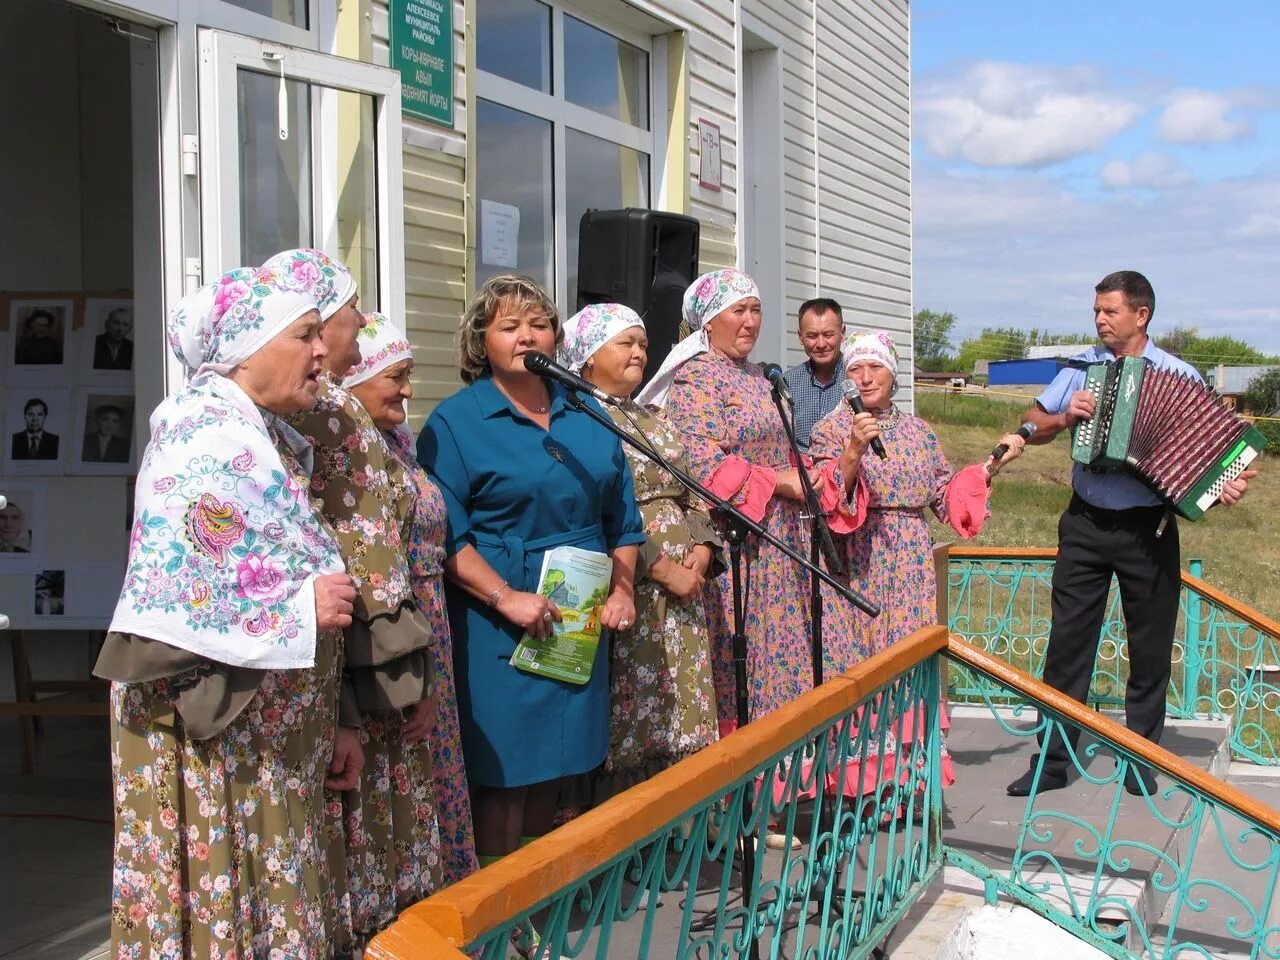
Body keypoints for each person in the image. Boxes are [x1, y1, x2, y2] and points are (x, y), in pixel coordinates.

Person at [93, 267, 360, 957]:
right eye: (304, 335)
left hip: (259, 744)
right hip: (211, 748)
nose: (321, 351)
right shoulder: (202, 436)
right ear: (246, 349)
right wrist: (301, 604)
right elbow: (172, 593)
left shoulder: (256, 435)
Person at [417, 274, 643, 873]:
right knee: (504, 776)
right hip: (499, 622)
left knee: (560, 765)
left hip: (577, 614)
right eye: (509, 327)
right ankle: (496, 914)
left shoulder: (586, 410)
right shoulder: (455, 423)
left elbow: (623, 519)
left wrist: (623, 590)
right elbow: (446, 534)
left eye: (538, 324)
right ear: (479, 341)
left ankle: (539, 901)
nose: (526, 336)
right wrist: (504, 596)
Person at [1006, 270, 1256, 798]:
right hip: (1086, 521)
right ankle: (1052, 761)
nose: (1099, 320)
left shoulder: (1181, 376)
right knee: (1068, 644)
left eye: (1110, 311)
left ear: (1141, 315)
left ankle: (1141, 757)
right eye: (1096, 310)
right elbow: (1036, 418)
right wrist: (1065, 416)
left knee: (1149, 646)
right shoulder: (1081, 367)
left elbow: (1212, 460)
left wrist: (1223, 485)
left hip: (1150, 528)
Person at [270, 248, 442, 948]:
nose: (361, 324)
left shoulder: (324, 410)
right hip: (364, 668)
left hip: (348, 661)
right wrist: (404, 681)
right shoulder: (332, 414)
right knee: (375, 842)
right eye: (349, 314)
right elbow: (366, 559)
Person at [637, 268, 854, 734]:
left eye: (756, 310)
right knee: (744, 659)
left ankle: (784, 779)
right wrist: (779, 481)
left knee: (784, 655)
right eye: (739, 311)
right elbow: (699, 464)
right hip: (736, 545)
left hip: (780, 543)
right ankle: (745, 786)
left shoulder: (761, 376)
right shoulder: (697, 378)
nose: (751, 321)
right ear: (709, 321)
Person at [808, 329, 1026, 791]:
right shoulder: (830, 428)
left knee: (906, 663)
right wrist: (852, 450)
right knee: (861, 664)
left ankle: (906, 789)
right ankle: (860, 788)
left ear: (894, 375)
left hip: (908, 566)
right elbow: (823, 498)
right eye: (856, 370)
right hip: (856, 562)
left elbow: (945, 498)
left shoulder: (918, 433)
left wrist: (990, 467)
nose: (866, 379)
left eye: (876, 368)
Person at [560, 303, 721, 802]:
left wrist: (701, 548)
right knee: (634, 707)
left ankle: (686, 827)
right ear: (587, 357)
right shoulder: (578, 416)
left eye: (643, 344)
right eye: (625, 343)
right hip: (628, 584)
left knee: (681, 702)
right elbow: (598, 508)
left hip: (683, 592)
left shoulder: (654, 415)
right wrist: (662, 567)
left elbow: (692, 490)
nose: (638, 352)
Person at [346, 311, 479, 886]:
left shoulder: (395, 443)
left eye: (410, 373)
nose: (406, 388)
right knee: (394, 774)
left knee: (431, 769)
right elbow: (373, 570)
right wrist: (409, 675)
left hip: (428, 628)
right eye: (394, 375)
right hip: (388, 637)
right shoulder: (351, 456)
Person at [783, 298, 847, 451]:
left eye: (828, 334)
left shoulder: (858, 378)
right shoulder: (787, 383)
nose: (821, 344)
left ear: (842, 333)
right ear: (800, 337)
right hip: (799, 471)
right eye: (812, 336)